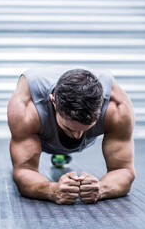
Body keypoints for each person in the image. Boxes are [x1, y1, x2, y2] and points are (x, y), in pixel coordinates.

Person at [7, 66, 135, 205]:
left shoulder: (117, 108)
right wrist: (51, 190)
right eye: (69, 128)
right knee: (41, 138)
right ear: (53, 101)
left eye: (85, 128)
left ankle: (64, 142)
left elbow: (124, 170)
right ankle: (59, 150)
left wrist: (102, 188)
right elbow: (24, 170)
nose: (77, 137)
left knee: (72, 135)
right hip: (44, 135)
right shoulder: (26, 108)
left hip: (60, 125)